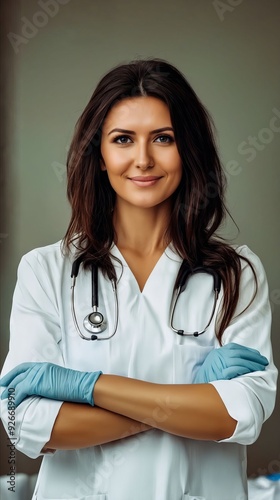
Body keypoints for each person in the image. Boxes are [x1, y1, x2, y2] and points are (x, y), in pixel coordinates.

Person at [0, 58, 277, 500]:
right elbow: (26, 422)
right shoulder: (46, 271)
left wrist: (86, 390)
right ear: (100, 153)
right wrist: (192, 395)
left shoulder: (236, 274)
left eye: (163, 138)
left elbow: (241, 414)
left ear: (189, 149)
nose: (143, 159)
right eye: (123, 139)